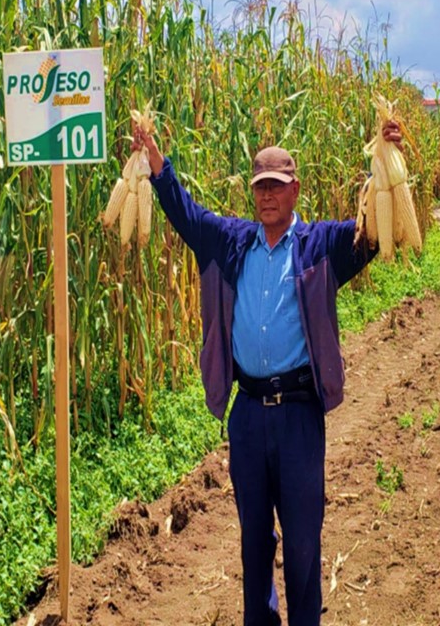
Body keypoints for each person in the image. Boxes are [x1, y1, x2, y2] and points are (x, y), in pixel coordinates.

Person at [132, 120, 403, 625]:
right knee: (254, 537)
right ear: (252, 193)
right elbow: (187, 216)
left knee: (302, 539)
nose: (268, 196)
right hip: (250, 415)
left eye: (277, 186)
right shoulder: (233, 243)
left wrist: (387, 159)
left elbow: (376, 231)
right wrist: (155, 163)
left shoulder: (321, 245)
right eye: (261, 187)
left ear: (295, 189)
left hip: (299, 414)